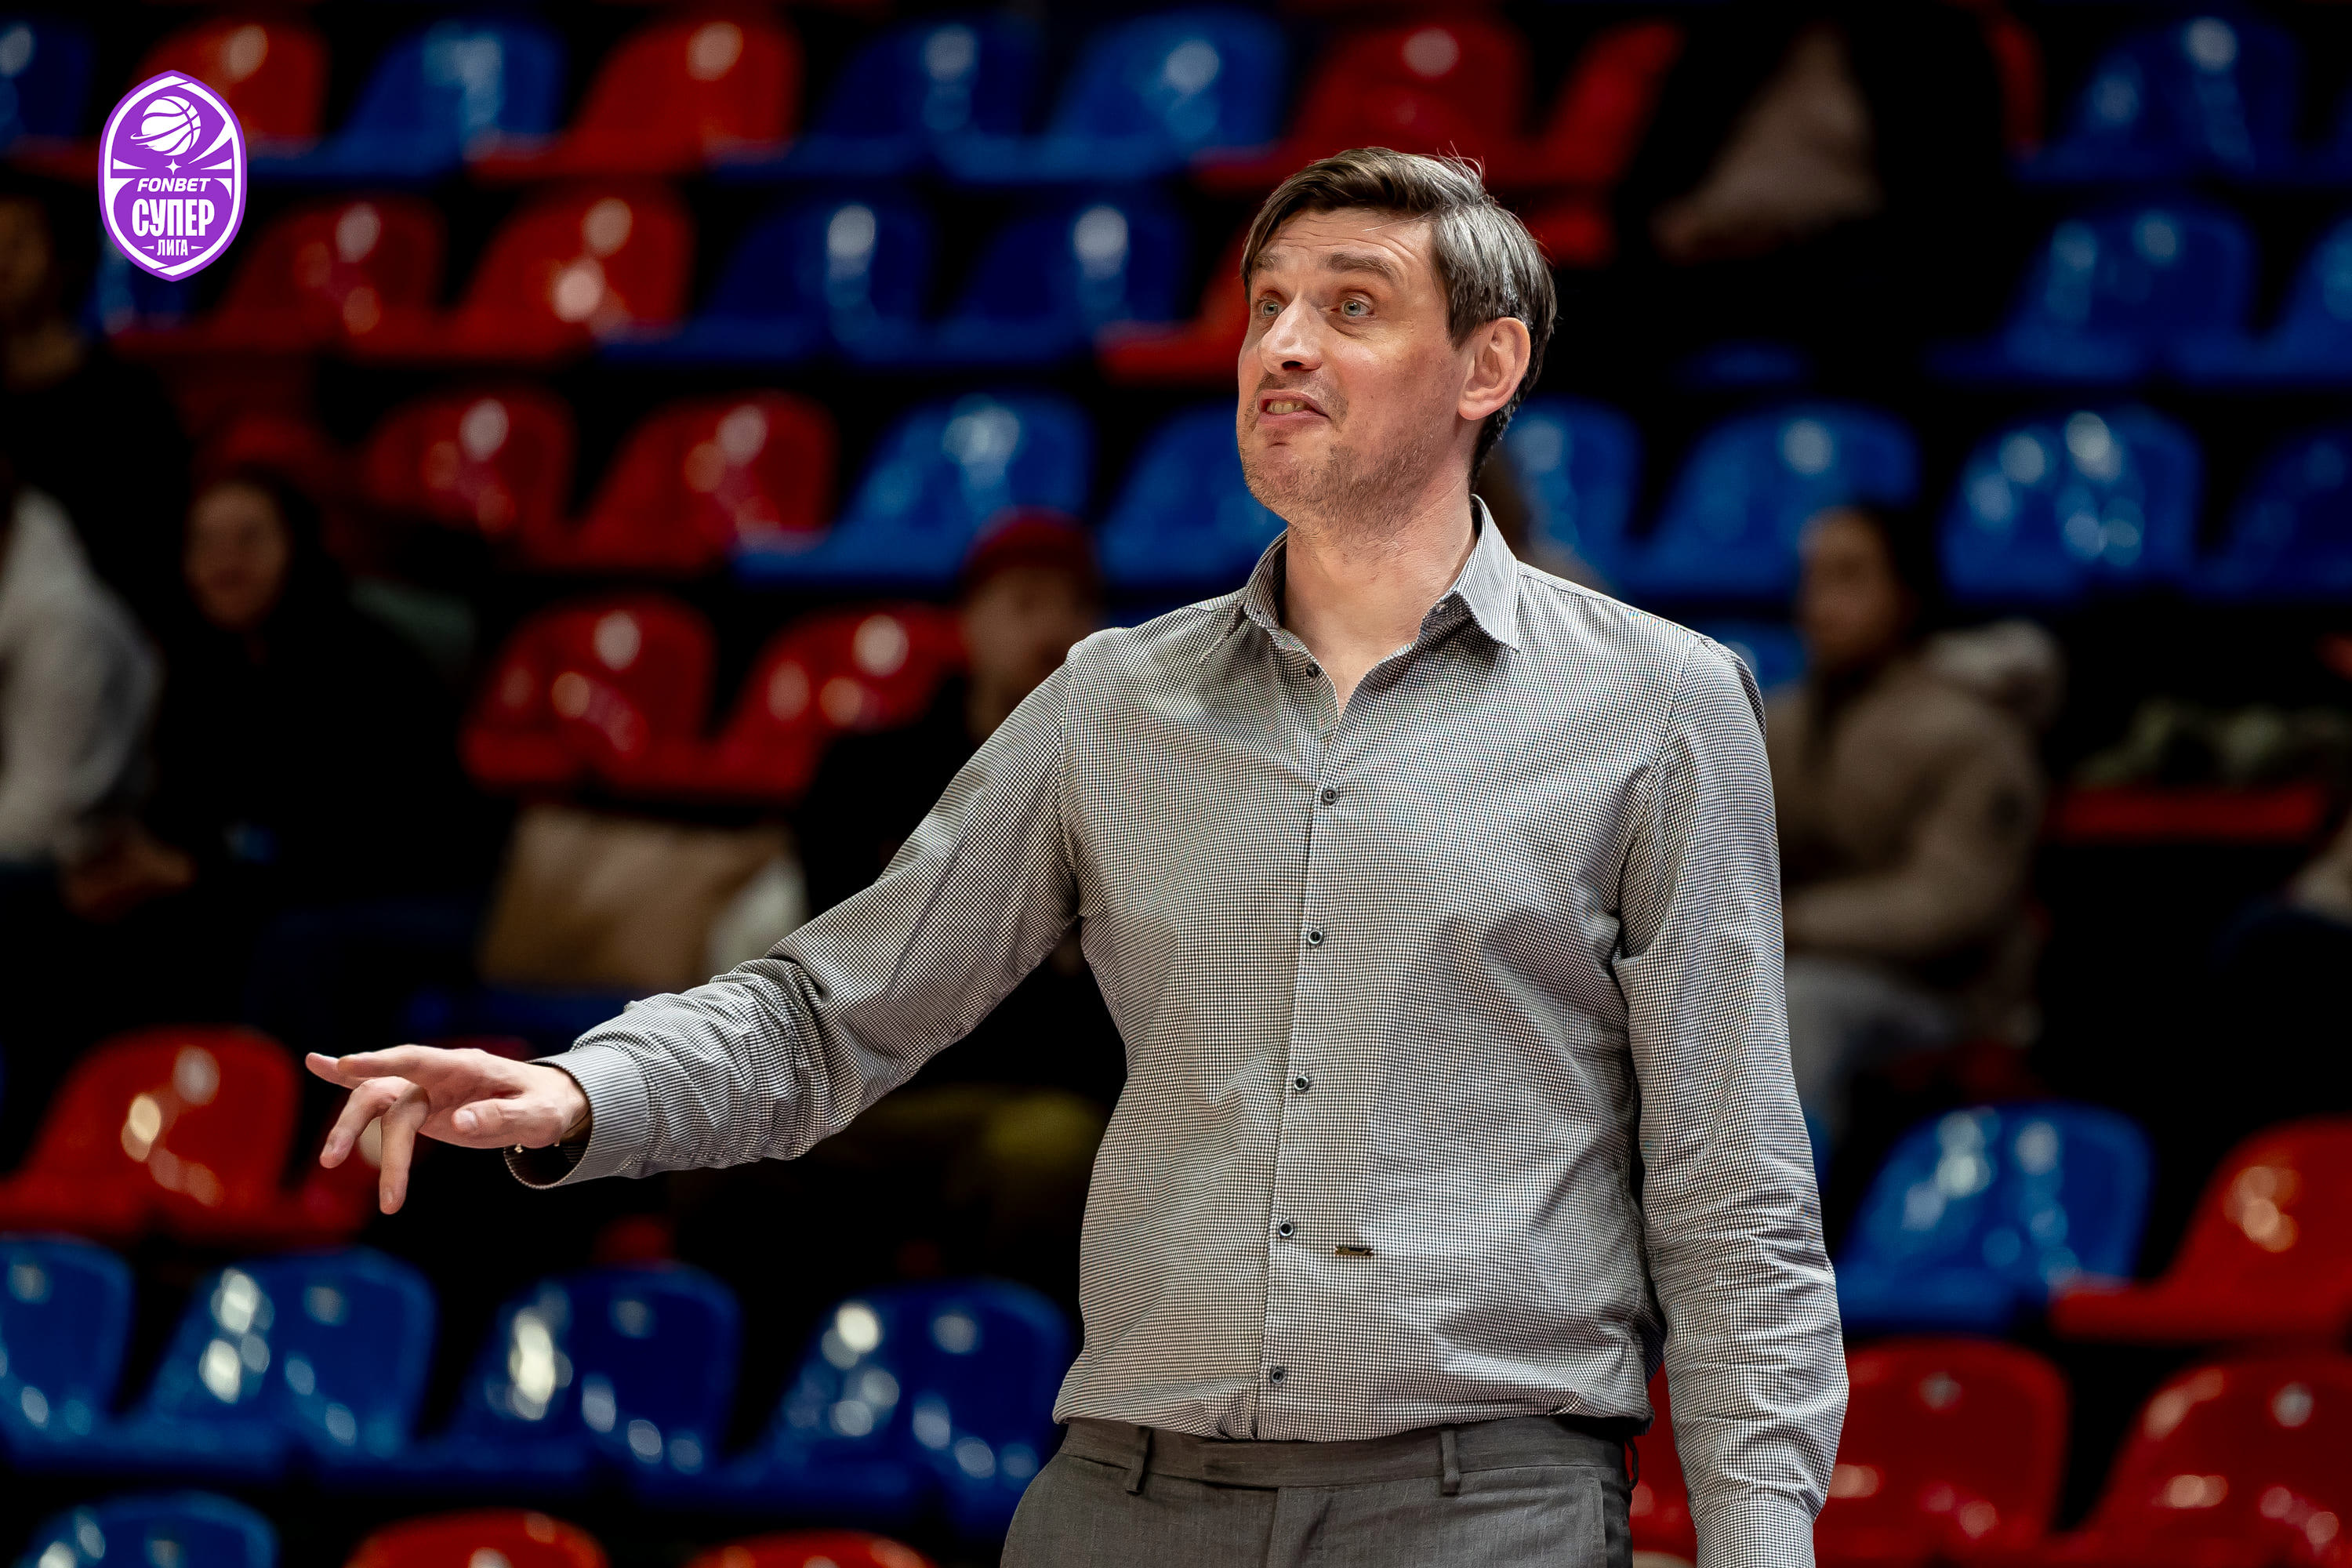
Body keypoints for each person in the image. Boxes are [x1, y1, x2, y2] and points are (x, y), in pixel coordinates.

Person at [311, 150, 1842, 1567]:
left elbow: (1735, 1194)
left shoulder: (1661, 703)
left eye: (1350, 306)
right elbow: (833, 1009)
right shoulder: (1114, 701)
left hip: (1479, 1505)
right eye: (1266, 305)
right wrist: (586, 1088)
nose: (1282, 345)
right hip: (1127, 1492)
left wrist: (1763, 1545)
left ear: (1488, 368)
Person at [93, 471, 485, 1042]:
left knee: (289, 943)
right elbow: (183, 811)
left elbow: (361, 846)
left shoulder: (365, 662)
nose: (225, 560)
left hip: (406, 889)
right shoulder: (198, 665)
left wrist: (195, 873)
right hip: (267, 886)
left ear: (297, 547)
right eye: (205, 542)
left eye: (249, 538)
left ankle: (287, 1099)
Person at [1769, 504, 2045, 1142]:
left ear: (1907, 596)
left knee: (1803, 1004)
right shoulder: (1780, 721)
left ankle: (1775, 1207)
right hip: (1796, 962)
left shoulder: (1975, 733)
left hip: (1947, 999)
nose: (1820, 603)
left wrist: (1789, 925)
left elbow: (1948, 907)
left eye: (1849, 577)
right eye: (1813, 579)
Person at [0, 171, 189, 630]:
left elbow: (153, 552)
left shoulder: (127, 401)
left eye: (18, 242)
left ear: (68, 258)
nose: (1, 260)